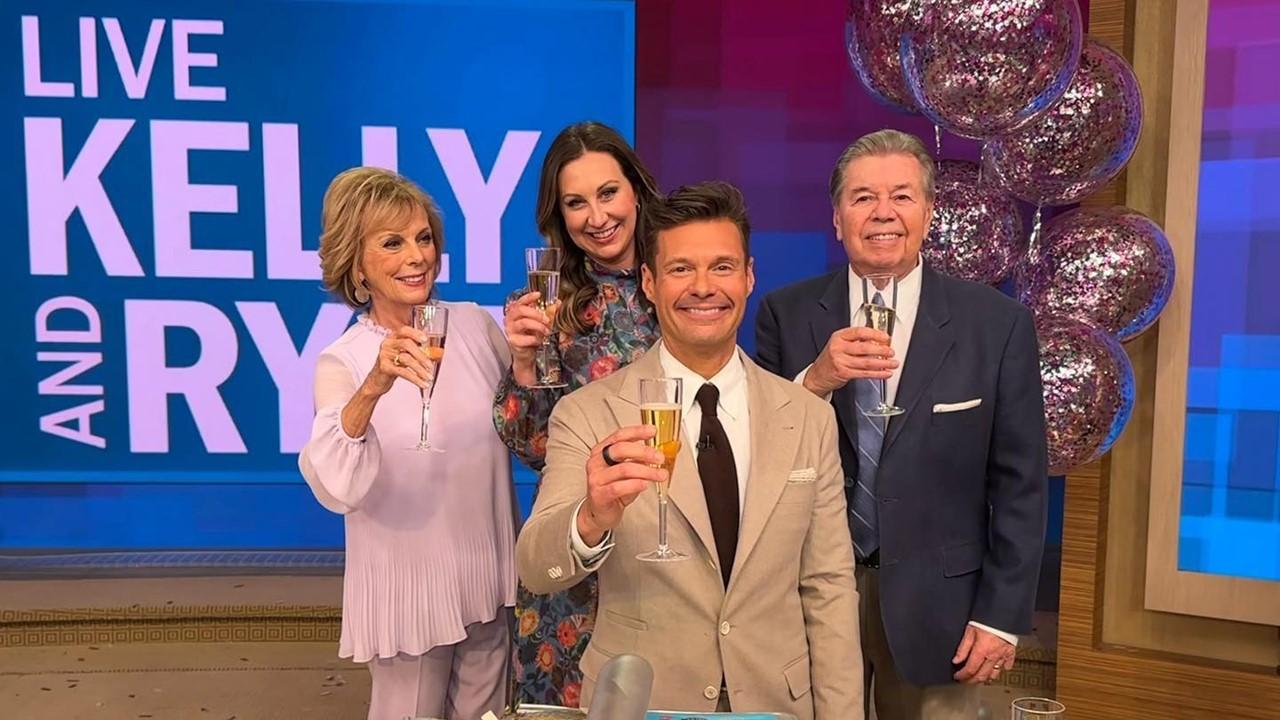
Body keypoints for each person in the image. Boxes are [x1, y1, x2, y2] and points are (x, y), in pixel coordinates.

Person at [516, 182, 863, 719]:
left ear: (748, 277)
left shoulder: (808, 416)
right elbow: (538, 568)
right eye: (681, 270)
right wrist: (590, 519)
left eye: (722, 267)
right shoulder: (589, 412)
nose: (703, 287)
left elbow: (829, 588)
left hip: (777, 704)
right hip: (642, 701)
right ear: (650, 284)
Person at [755, 129, 1048, 720]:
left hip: (942, 609)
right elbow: (756, 452)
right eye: (863, 197)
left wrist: (1000, 616)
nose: (882, 213)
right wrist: (814, 381)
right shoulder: (784, 315)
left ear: (929, 213)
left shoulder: (997, 324)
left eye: (902, 196)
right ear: (837, 218)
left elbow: (1021, 483)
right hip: (804, 596)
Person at [299, 167, 517, 720]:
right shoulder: (343, 360)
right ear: (357, 264)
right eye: (392, 243)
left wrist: (533, 357)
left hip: (488, 574)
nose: (417, 256)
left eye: (424, 239)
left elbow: (523, 425)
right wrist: (375, 384)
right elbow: (336, 482)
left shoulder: (473, 326)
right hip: (408, 595)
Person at [493, 121, 663, 707]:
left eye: (608, 193)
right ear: (557, 214)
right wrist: (521, 363)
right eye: (575, 202)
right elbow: (534, 447)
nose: (597, 216)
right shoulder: (547, 302)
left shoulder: (682, 281)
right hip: (577, 552)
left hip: (672, 540)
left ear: (636, 189)